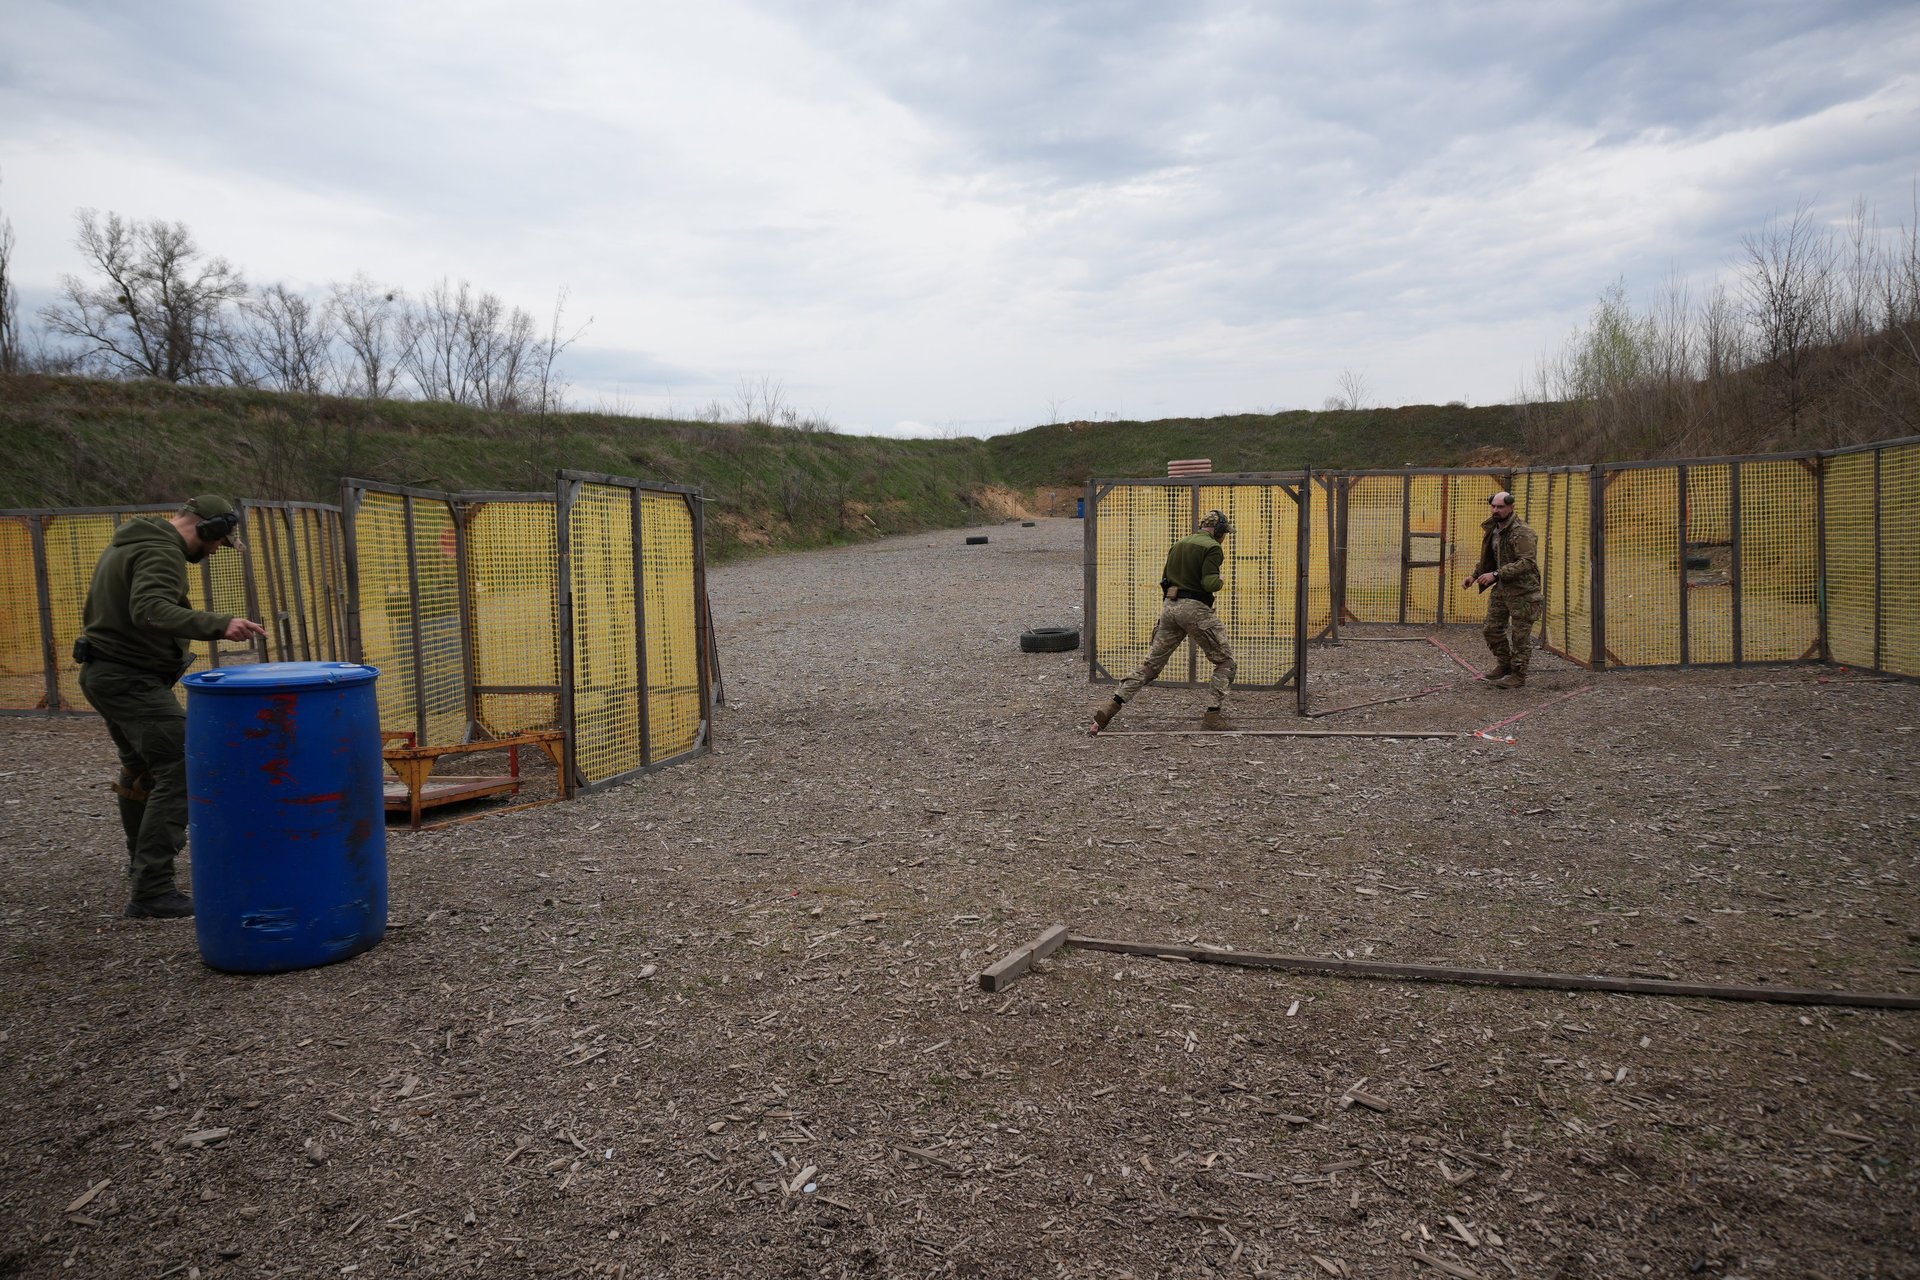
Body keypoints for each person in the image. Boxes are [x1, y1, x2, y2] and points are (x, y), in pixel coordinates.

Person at [75, 496, 268, 918]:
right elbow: (150, 610)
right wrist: (220, 624)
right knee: (184, 764)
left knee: (141, 770)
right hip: (129, 679)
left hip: (105, 672)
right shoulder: (163, 552)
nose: (217, 550)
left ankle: (142, 868)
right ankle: (152, 888)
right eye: (219, 542)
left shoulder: (134, 541)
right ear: (208, 529)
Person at [1090, 509, 1238, 734]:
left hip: (1170, 607)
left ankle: (1109, 708)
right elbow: (1209, 583)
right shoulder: (1213, 548)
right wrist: (1220, 581)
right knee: (1225, 662)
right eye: (1224, 533)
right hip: (1195, 609)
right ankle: (1212, 715)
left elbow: (1165, 580)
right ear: (1218, 532)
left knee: (1150, 666)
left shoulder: (1179, 544)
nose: (1224, 537)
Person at [1464, 489, 1541, 689]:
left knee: (1520, 636)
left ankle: (1518, 675)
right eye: (1493, 506)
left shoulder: (1523, 532)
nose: (1495, 510)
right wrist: (1474, 576)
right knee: (1491, 629)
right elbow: (1490, 558)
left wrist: (1496, 575)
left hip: (1523, 592)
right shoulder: (1495, 529)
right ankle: (1505, 664)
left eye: (1500, 507)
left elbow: (1527, 562)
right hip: (1502, 590)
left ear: (1511, 507)